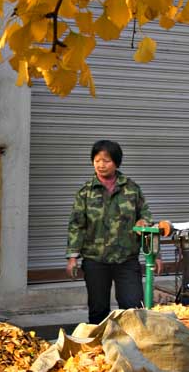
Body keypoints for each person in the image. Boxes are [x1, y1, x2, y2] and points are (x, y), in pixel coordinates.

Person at [65, 139, 153, 325]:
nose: (101, 165)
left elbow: (147, 220)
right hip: (96, 260)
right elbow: (76, 225)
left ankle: (131, 348)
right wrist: (72, 257)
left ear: (116, 162)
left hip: (126, 259)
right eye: (97, 160)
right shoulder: (85, 192)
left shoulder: (131, 189)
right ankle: (100, 349)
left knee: (133, 308)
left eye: (106, 161)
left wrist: (155, 254)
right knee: (98, 309)